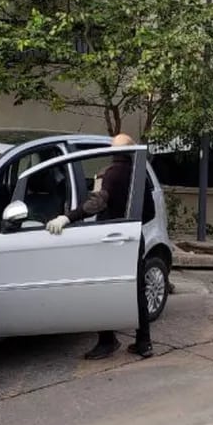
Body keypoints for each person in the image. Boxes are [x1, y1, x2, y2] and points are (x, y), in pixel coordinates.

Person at [45, 133, 154, 360]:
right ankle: (144, 342)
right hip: (132, 238)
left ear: (114, 151)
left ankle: (107, 341)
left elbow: (96, 204)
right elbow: (150, 212)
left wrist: (67, 218)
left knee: (103, 290)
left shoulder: (112, 174)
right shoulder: (140, 175)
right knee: (137, 291)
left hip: (109, 239)